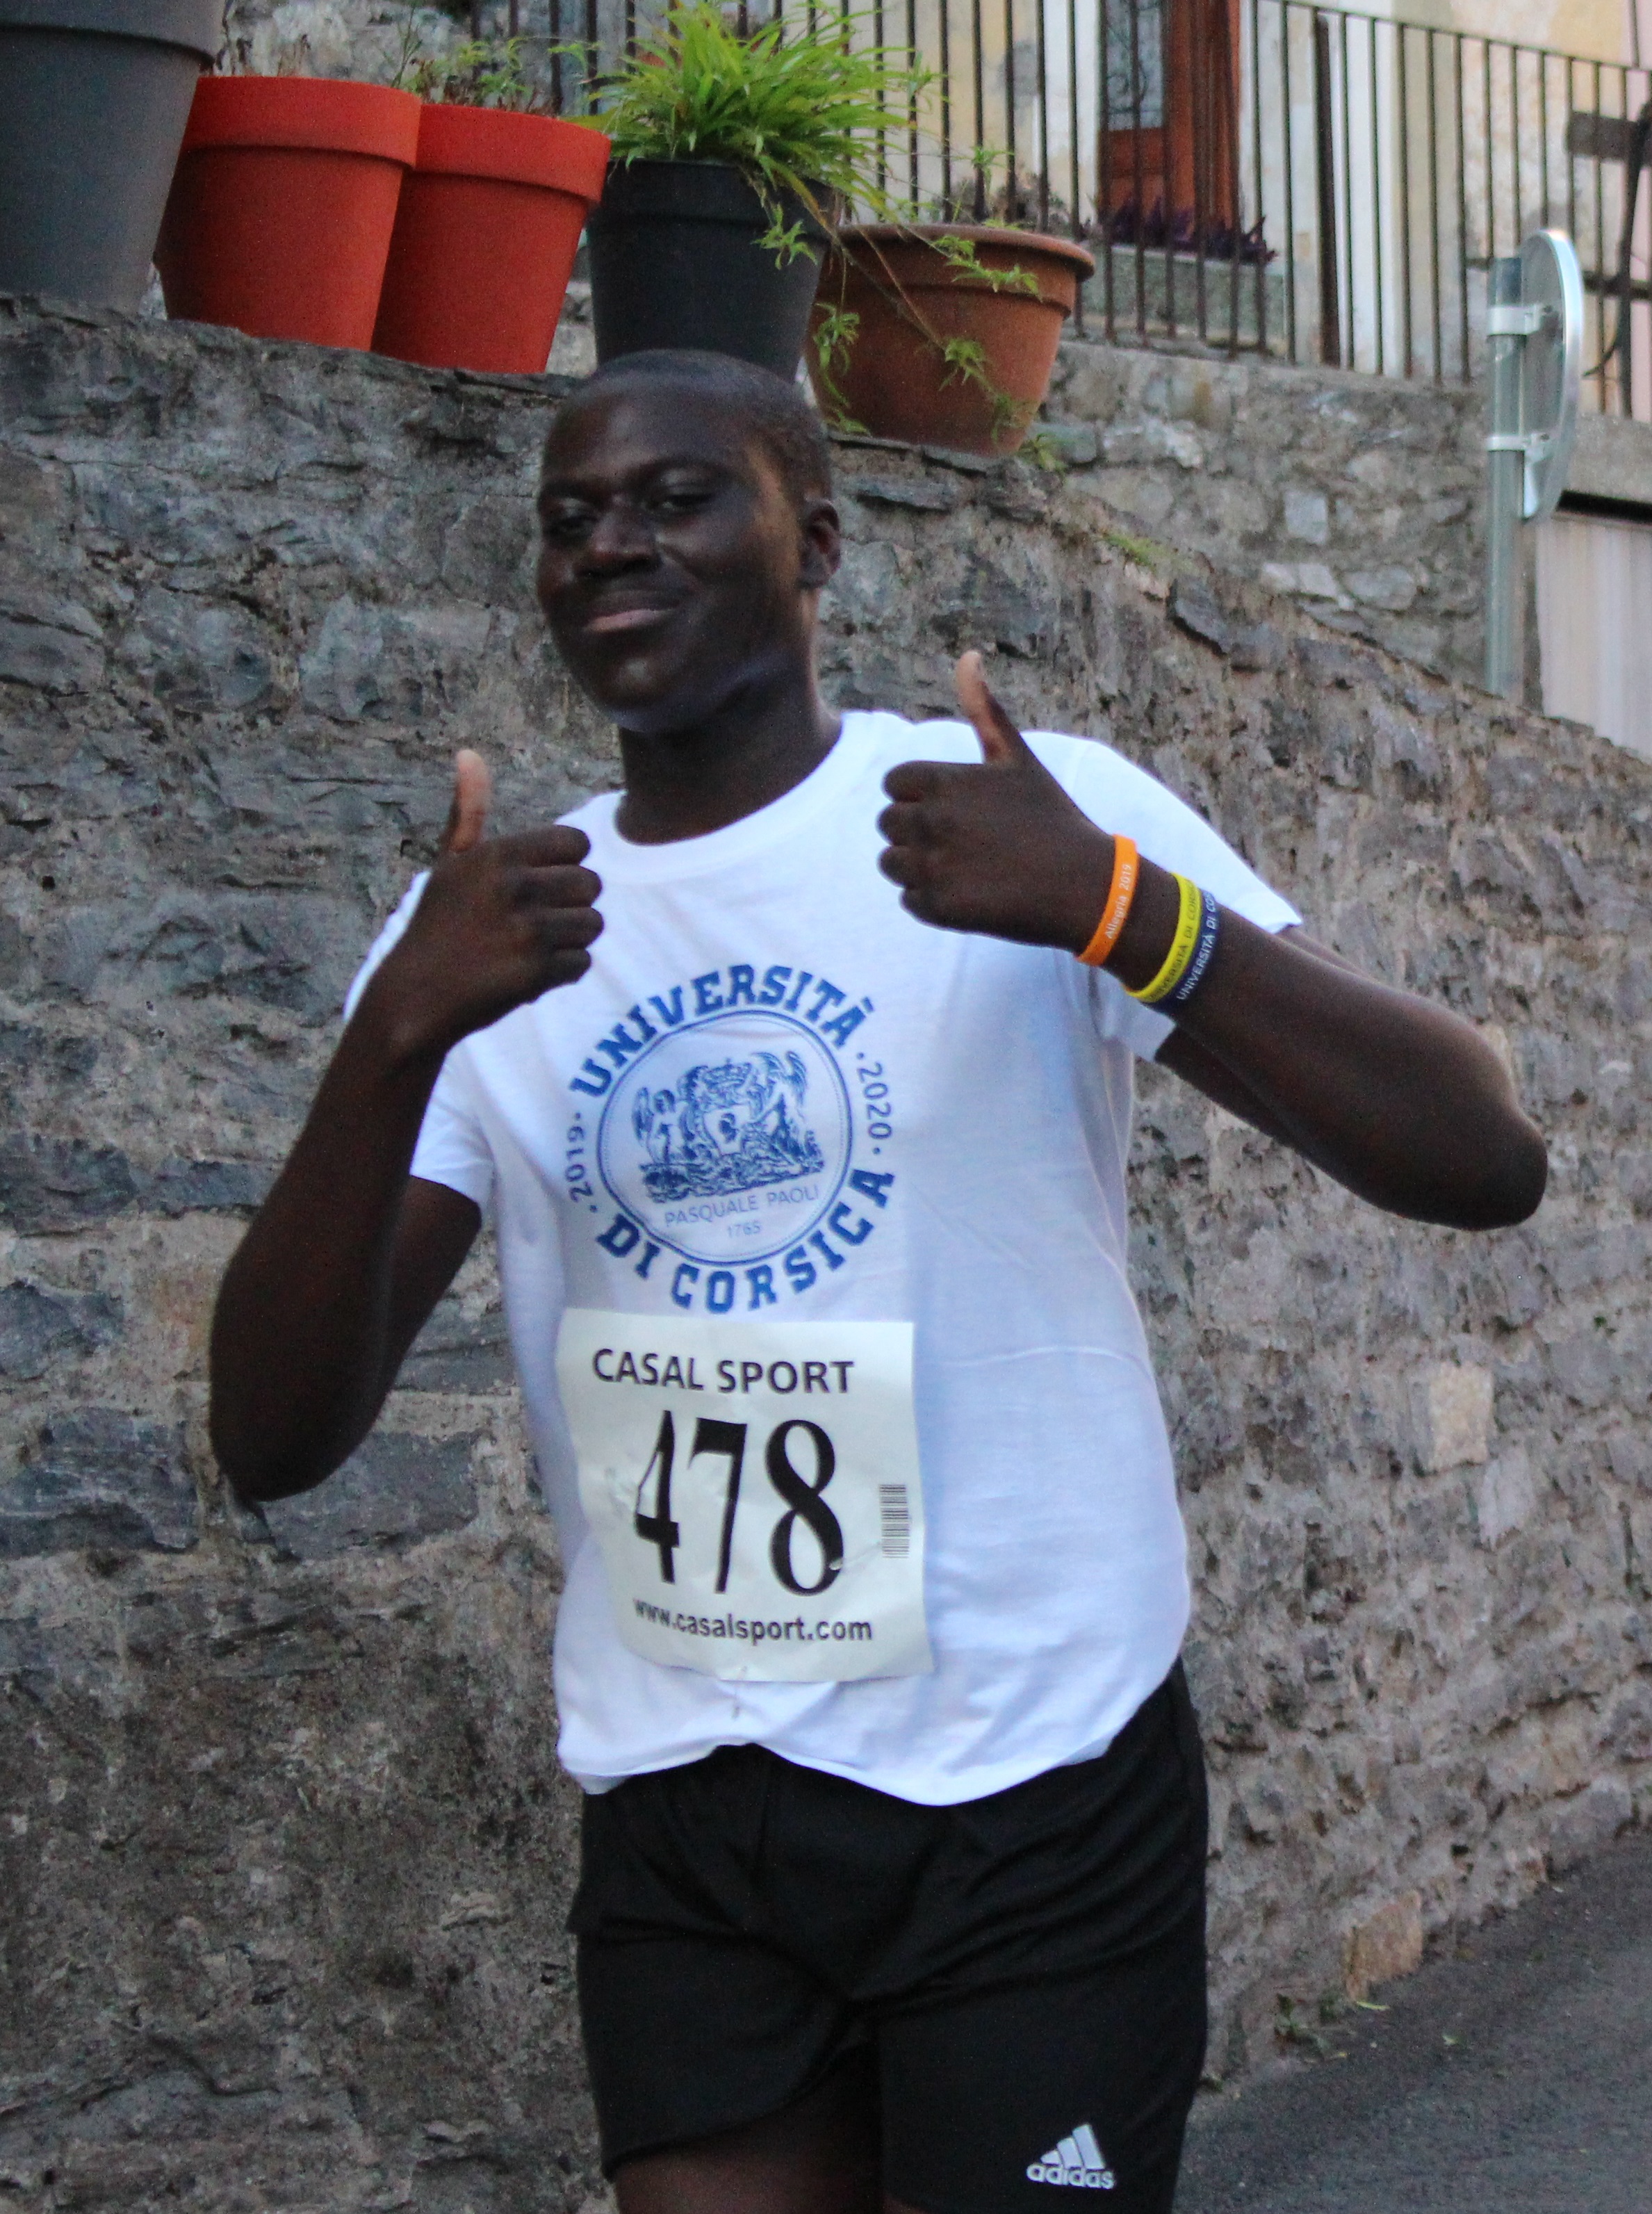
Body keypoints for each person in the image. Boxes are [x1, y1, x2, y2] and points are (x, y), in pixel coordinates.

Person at [209, 349, 1546, 2214]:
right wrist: (394, 1037)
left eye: (677, 498)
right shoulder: (494, 933)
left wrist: (1121, 909)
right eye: (571, 517)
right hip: (689, 1792)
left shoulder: (1024, 813)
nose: (611, 545)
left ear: (816, 540)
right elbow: (273, 1438)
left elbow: (1478, 1154)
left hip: (1028, 1766)